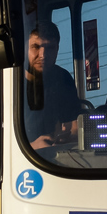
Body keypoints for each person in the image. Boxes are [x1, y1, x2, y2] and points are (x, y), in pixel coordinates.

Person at [24, 20, 81, 149]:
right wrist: (29, 146)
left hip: (52, 156)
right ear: (24, 47)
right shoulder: (2, 80)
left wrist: (66, 137)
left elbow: (73, 124)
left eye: (50, 48)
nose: (43, 55)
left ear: (57, 49)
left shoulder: (63, 78)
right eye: (36, 47)